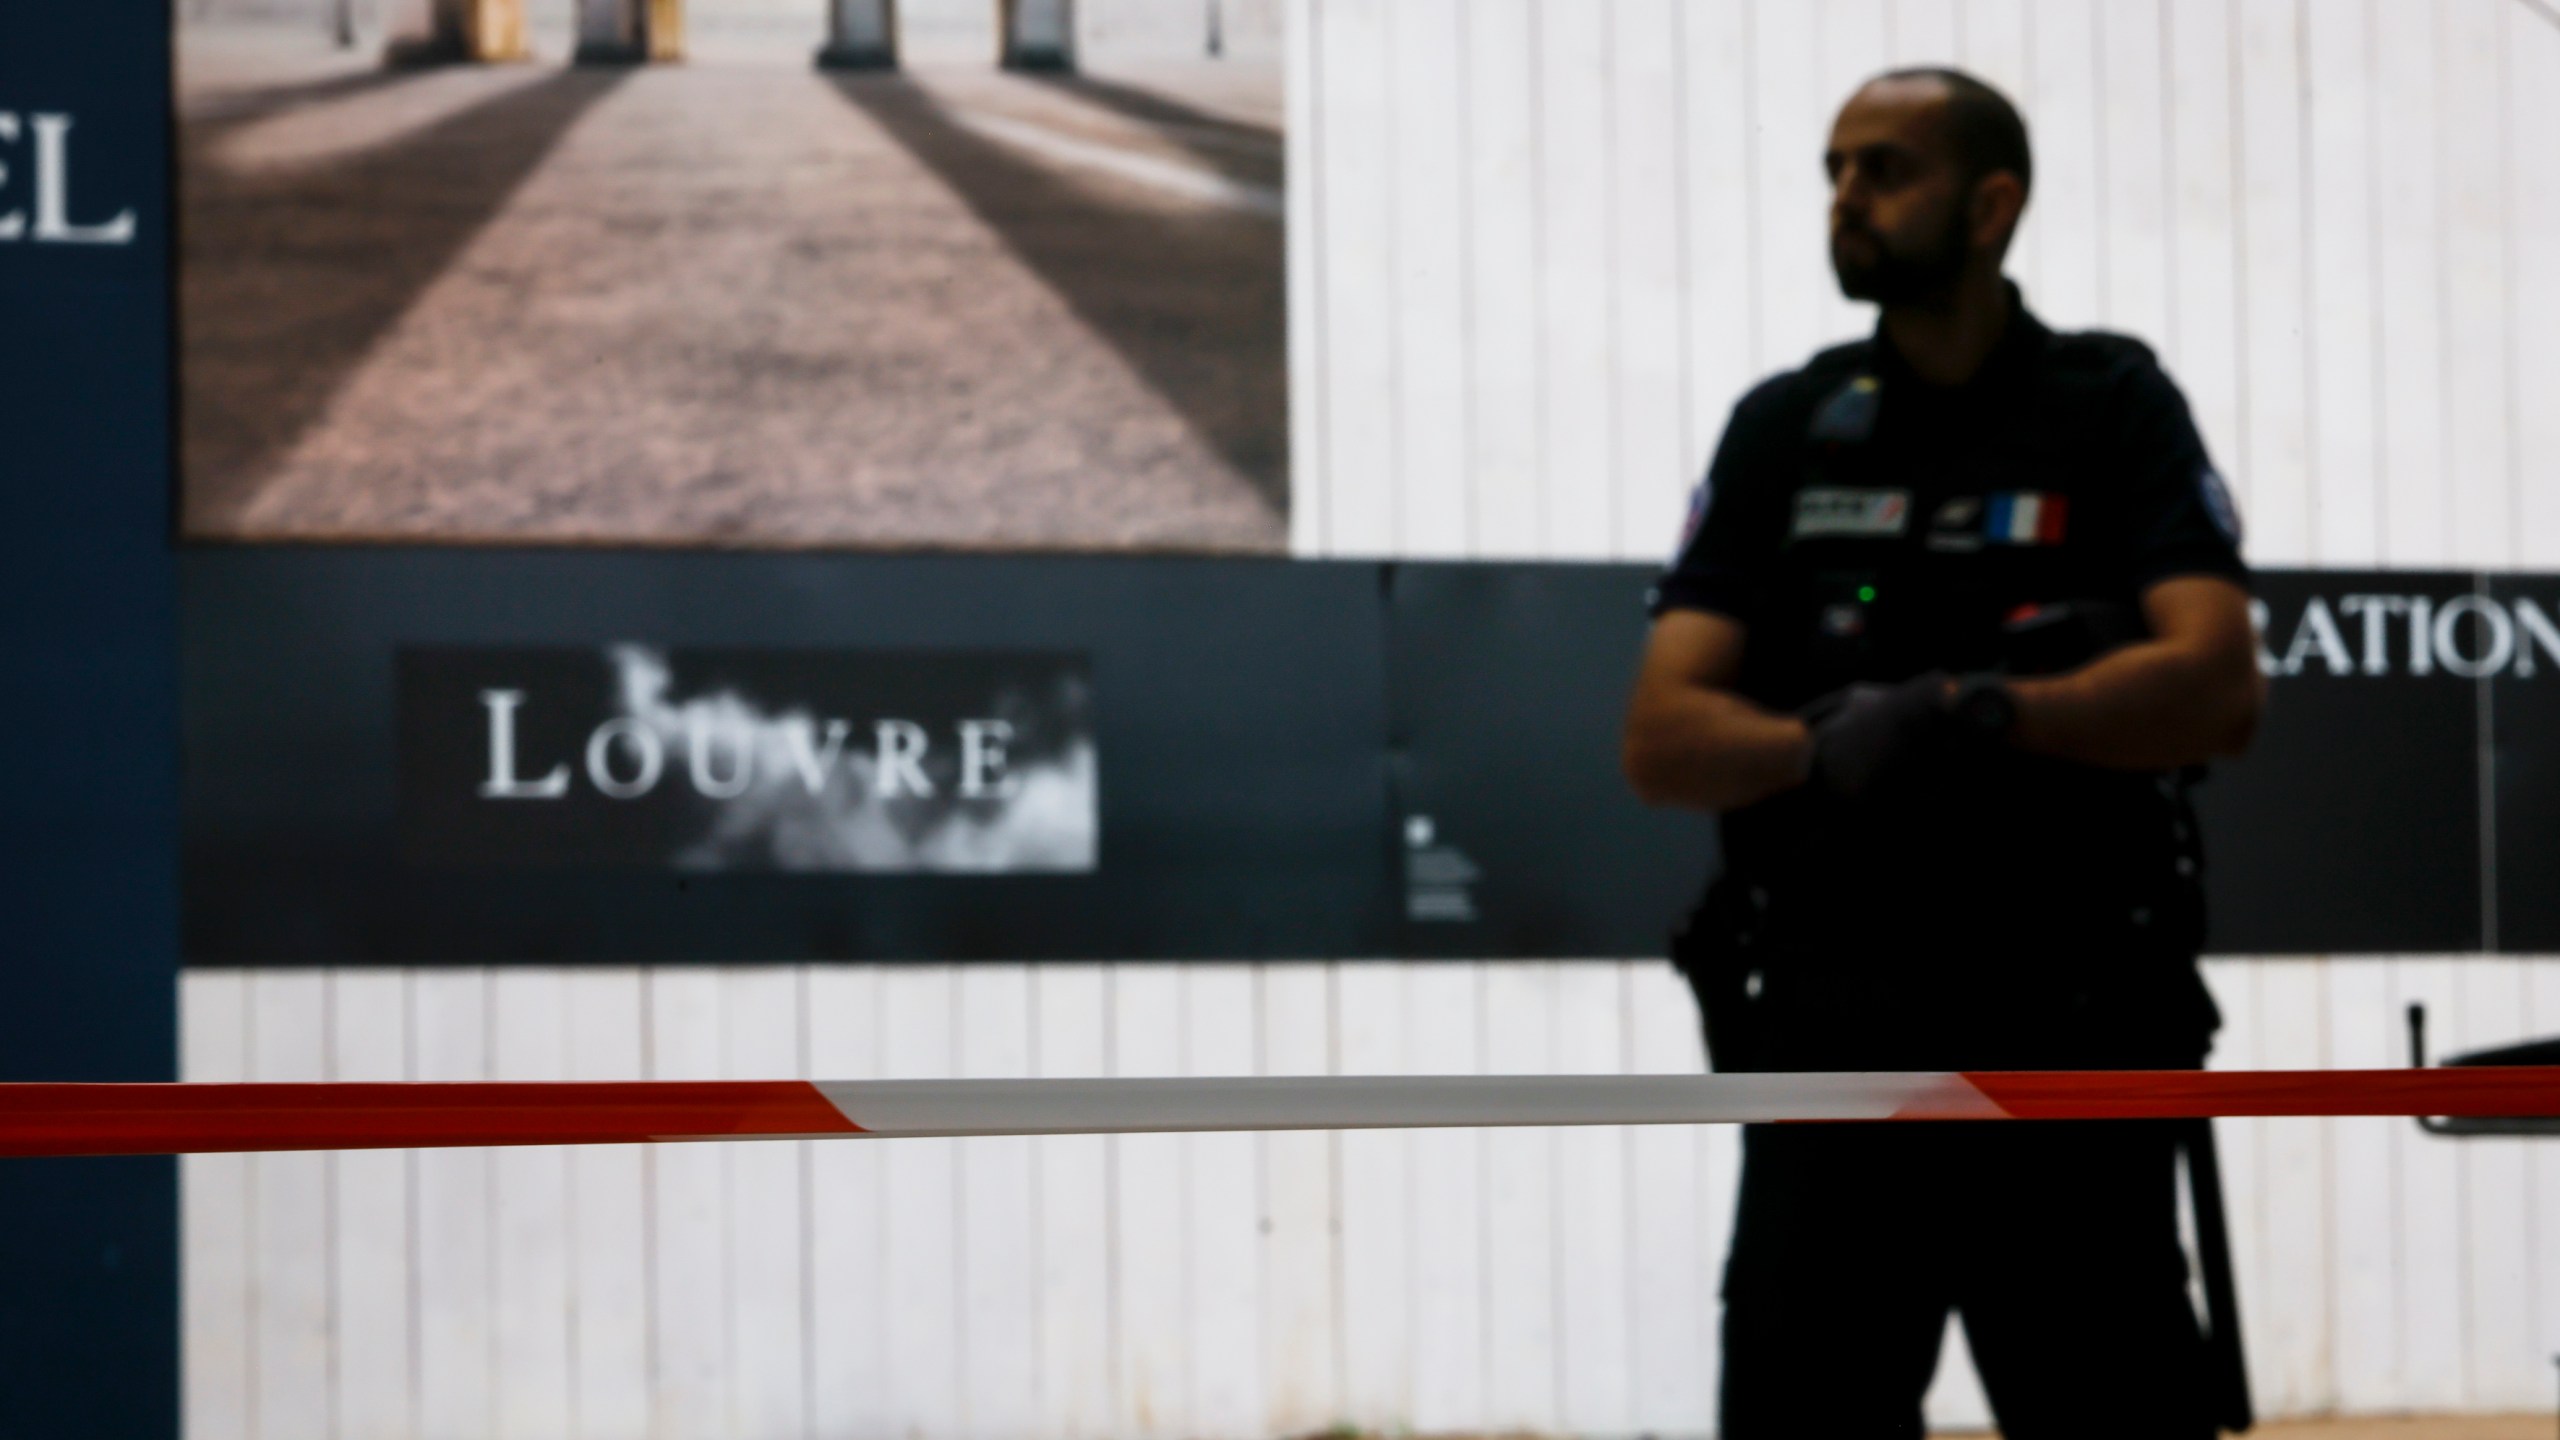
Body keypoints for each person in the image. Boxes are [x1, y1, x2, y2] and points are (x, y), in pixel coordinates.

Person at [1620, 68, 2266, 1439]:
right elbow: (1663, 735)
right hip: (1833, 1043)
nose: (1845, 197)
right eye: (1834, 169)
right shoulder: (1784, 427)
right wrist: (1823, 748)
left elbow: (2215, 688)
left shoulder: (2113, 403)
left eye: (1884, 169)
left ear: (1991, 206)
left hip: (2072, 1037)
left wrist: (1981, 713)